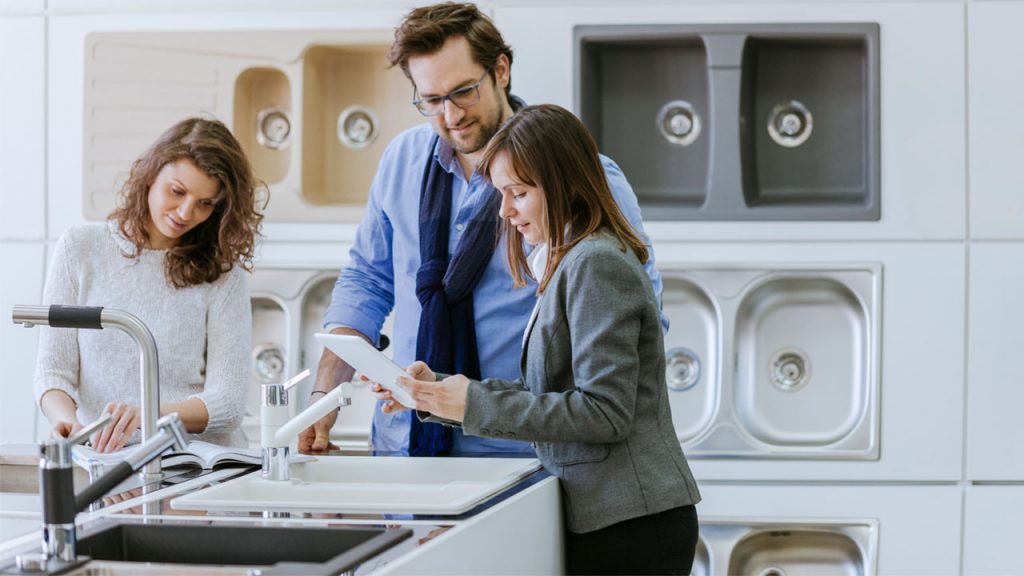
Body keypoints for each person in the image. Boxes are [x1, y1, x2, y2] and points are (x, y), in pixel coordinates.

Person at [300, 1, 665, 457]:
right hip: (403, 442)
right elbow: (366, 282)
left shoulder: (580, 175)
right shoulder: (402, 161)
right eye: (431, 101)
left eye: (464, 91)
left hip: (522, 455)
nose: (450, 116)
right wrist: (324, 397)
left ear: (502, 71)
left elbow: (639, 319)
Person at [376, 104, 701, 575]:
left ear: (565, 185)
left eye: (518, 194)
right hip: (610, 518)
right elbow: (544, 394)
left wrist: (469, 404)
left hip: (633, 523)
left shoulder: (596, 263)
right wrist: (436, 393)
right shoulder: (567, 260)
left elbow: (604, 412)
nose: (505, 212)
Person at [33, 117, 266, 452]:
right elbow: (54, 372)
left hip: (196, 466)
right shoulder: (80, 249)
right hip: (106, 460)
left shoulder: (222, 273)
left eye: (205, 204)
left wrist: (144, 415)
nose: (186, 213)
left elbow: (227, 404)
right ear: (150, 174)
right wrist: (65, 421)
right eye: (177, 191)